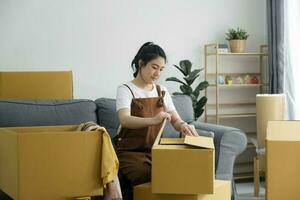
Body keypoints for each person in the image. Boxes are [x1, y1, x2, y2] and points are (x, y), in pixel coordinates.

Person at [115, 42, 198, 199]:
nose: (157, 73)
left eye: (161, 69)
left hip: (156, 150)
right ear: (141, 64)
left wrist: (183, 126)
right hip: (130, 152)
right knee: (145, 175)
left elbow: (176, 120)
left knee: (175, 173)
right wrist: (153, 120)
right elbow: (124, 119)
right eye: (154, 67)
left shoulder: (162, 91)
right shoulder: (125, 89)